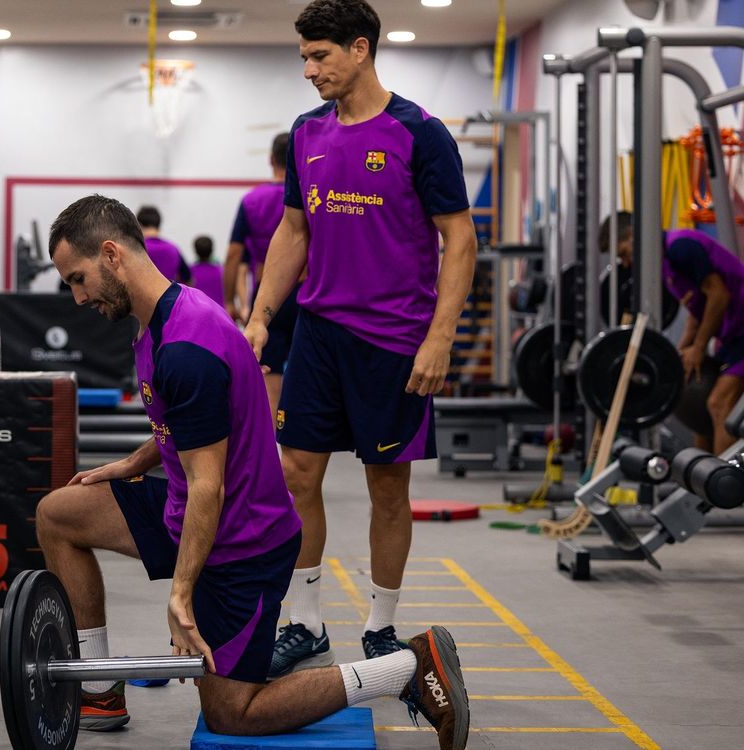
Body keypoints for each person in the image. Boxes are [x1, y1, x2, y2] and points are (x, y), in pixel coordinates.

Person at [38, 194, 469, 748]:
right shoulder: (161, 316)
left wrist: (181, 594)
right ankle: (97, 687)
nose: (78, 297)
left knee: (233, 714)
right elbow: (190, 422)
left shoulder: (186, 346)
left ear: (111, 254)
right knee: (59, 514)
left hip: (240, 545)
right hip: (190, 514)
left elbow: (209, 486)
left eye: (78, 279)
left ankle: (406, 667)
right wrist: (133, 463)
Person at [243, 0, 477, 678]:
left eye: (319, 56)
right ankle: (306, 621)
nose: (309, 70)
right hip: (319, 332)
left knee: (387, 487)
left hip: (394, 338)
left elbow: (460, 239)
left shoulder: (420, 133)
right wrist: (260, 316)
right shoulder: (307, 132)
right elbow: (293, 231)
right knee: (295, 473)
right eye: (304, 58)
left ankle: (380, 626)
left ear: (360, 49)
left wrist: (440, 338)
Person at [601, 211, 744, 454]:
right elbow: (697, 309)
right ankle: (704, 476)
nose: (624, 263)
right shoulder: (665, 263)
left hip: (741, 334)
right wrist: (681, 350)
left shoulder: (680, 247)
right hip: (733, 338)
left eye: (623, 253)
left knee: (719, 403)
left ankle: (726, 477)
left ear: (633, 235)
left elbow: (719, 296)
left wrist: (699, 347)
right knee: (700, 408)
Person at [225, 132, 302, 425]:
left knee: (269, 384)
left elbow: (234, 255)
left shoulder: (252, 200)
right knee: (307, 378)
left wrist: (229, 301)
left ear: (271, 159)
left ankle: (271, 446)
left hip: (268, 295)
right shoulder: (309, 196)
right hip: (306, 292)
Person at [137, 205, 192, 283]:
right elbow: (188, 278)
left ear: (138, 224)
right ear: (158, 224)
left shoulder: (137, 248)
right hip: (170, 290)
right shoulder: (173, 249)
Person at [189, 235, 225, 307]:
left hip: (197, 312)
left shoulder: (188, 274)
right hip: (220, 312)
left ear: (195, 251)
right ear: (212, 250)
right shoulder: (222, 272)